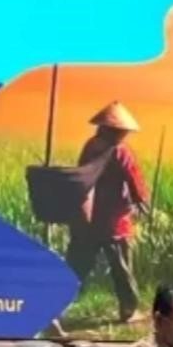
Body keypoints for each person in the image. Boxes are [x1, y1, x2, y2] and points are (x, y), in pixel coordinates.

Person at [65, 101, 150, 324]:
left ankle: (56, 305)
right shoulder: (120, 151)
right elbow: (134, 178)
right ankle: (129, 310)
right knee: (121, 267)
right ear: (117, 130)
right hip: (114, 220)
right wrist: (141, 200)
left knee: (77, 264)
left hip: (86, 218)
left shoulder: (90, 146)